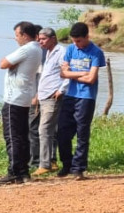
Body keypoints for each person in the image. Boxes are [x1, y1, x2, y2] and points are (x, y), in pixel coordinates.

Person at [57, 22, 106, 180]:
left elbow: (91, 79)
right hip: (70, 95)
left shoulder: (96, 53)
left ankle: (78, 168)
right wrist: (81, 73)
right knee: (63, 132)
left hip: (86, 97)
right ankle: (67, 164)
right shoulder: (71, 49)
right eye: (73, 40)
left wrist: (72, 73)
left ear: (87, 37)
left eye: (79, 41)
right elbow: (62, 74)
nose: (76, 44)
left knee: (82, 133)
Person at [0, 21, 42, 185]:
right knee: (22, 135)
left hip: (14, 98)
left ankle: (14, 171)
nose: (16, 39)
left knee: (12, 135)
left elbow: (3, 63)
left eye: (17, 35)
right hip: (24, 97)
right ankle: (23, 171)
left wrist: (9, 61)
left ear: (24, 35)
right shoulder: (37, 48)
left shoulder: (27, 49)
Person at [30, 27, 67, 175]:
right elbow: (46, 75)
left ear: (53, 38)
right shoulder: (48, 52)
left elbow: (67, 71)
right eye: (39, 39)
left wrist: (61, 90)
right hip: (44, 95)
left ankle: (44, 164)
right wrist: (38, 93)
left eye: (43, 39)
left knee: (44, 129)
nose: (40, 42)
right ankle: (50, 162)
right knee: (48, 130)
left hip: (53, 96)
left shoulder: (61, 52)